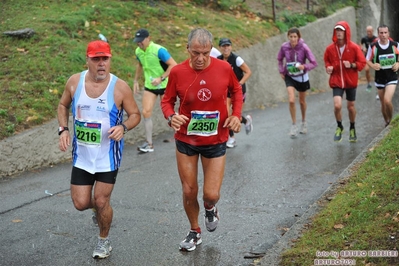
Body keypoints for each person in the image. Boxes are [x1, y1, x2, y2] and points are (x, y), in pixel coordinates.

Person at [57, 40, 141, 259]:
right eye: (96, 59)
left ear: (110, 59)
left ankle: (103, 241)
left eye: (105, 59)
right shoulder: (75, 82)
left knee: (102, 200)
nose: (101, 64)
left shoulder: (119, 87)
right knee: (81, 203)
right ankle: (100, 211)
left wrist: (123, 127)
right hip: (82, 157)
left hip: (107, 158)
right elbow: (62, 105)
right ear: (88, 60)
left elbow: (135, 115)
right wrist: (63, 129)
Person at [161, 28, 242, 251]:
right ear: (187, 49)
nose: (200, 58)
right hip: (186, 138)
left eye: (205, 53)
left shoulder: (224, 68)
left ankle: (210, 206)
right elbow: (167, 101)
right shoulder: (177, 72)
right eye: (196, 53)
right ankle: (194, 231)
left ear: (211, 51)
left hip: (215, 140)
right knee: (189, 190)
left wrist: (236, 115)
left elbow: (236, 92)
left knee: (211, 194)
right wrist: (171, 116)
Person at [133, 28, 177, 152]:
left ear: (148, 39)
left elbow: (174, 65)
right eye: (137, 42)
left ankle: (181, 138)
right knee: (146, 112)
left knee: (168, 113)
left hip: (165, 85)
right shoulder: (138, 51)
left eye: (141, 41)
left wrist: (161, 78)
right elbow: (140, 64)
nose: (139, 44)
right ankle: (149, 144)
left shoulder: (159, 50)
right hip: (150, 86)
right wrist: (136, 81)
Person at [323, 21, 366, 142]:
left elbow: (362, 63)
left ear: (346, 32)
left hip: (350, 81)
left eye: (341, 30)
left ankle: (352, 127)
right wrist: (328, 67)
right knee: (337, 105)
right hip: (336, 80)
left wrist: (352, 65)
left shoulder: (353, 47)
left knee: (350, 107)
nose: (339, 33)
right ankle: (339, 126)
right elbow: (326, 60)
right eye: (337, 30)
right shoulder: (330, 49)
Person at [277, 27, 317, 137]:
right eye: (291, 37)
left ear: (298, 37)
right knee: (291, 100)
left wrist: (304, 66)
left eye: (295, 37)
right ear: (288, 37)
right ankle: (294, 125)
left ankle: (303, 122)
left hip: (302, 77)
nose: (293, 39)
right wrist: (281, 71)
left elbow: (314, 63)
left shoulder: (304, 47)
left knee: (302, 102)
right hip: (290, 76)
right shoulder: (284, 47)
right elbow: (279, 59)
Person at [217, 37, 253, 147]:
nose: (226, 48)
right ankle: (231, 138)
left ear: (231, 47)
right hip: (226, 91)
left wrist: (239, 84)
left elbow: (248, 72)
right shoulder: (218, 59)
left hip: (238, 91)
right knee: (226, 114)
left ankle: (245, 121)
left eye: (228, 45)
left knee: (234, 114)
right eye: (223, 46)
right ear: (220, 48)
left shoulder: (237, 59)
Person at [366, 24, 399, 127]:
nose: (383, 35)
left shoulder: (395, 45)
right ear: (378, 34)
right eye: (381, 33)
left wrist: (398, 63)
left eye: (385, 32)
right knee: (383, 104)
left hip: (392, 77)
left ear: (388, 33)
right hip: (379, 78)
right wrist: (373, 65)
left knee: (387, 100)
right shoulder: (373, 46)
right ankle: (387, 122)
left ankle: (392, 122)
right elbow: (367, 59)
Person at [360, 25, 377, 93]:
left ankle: (378, 87)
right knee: (366, 69)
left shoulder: (376, 39)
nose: (369, 33)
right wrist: (362, 48)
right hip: (367, 57)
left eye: (370, 31)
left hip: (374, 57)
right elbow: (361, 44)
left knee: (378, 72)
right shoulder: (364, 38)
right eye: (367, 31)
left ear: (372, 31)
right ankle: (369, 84)